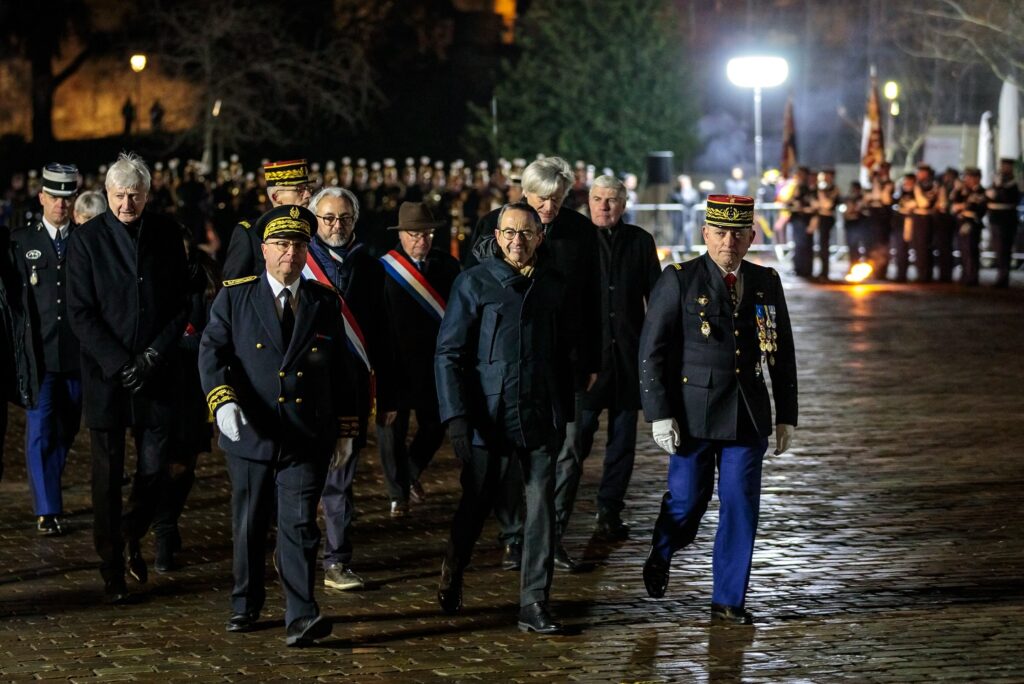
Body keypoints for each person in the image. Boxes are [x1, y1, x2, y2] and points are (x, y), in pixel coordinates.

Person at [199, 204, 358, 646]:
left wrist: (346, 428)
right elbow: (212, 352)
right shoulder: (236, 296)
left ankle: (301, 614)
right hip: (251, 431)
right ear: (264, 248)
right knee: (250, 522)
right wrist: (221, 401)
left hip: (306, 432)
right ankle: (245, 602)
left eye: (299, 244)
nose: (290, 252)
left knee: (300, 525)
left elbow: (341, 368)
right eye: (282, 243)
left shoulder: (324, 302)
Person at [638, 194, 798, 625]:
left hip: (747, 412)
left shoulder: (766, 281)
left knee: (740, 503)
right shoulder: (679, 279)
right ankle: (664, 548)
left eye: (738, 233)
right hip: (693, 413)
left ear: (750, 237)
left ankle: (728, 599)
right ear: (705, 233)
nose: (729, 241)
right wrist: (659, 412)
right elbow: (652, 351)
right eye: (720, 232)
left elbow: (780, 351)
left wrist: (786, 412)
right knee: (689, 501)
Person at [435, 201, 572, 634]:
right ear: (497, 237)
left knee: (540, 510)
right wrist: (456, 417)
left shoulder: (553, 284)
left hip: (537, 415)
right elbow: (449, 353)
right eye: (509, 233)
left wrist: (562, 410)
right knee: (476, 506)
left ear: (539, 237)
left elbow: (561, 351)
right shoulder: (473, 283)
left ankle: (534, 601)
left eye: (526, 233)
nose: (518, 241)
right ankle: (453, 569)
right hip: (488, 417)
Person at [463, 156, 600, 572]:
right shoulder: (493, 225)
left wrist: (593, 356)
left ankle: (551, 533)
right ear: (524, 193)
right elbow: (473, 292)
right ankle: (512, 534)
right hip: (508, 359)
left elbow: (593, 297)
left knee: (570, 449)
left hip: (564, 355)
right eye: (542, 199)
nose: (550, 208)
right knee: (509, 454)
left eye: (558, 200)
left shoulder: (579, 232)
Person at [66, 152, 189, 603]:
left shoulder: (166, 234)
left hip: (155, 372)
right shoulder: (88, 241)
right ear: (107, 194)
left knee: (156, 468)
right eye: (119, 196)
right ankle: (110, 567)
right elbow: (80, 312)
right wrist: (120, 363)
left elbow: (181, 303)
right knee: (107, 474)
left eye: (134, 196)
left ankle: (131, 530)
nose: (126, 205)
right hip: (107, 376)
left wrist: (154, 354)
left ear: (147, 194)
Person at [555, 176, 661, 547]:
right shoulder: (575, 241)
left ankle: (609, 509)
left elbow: (657, 301)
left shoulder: (641, 242)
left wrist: (656, 352)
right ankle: (556, 514)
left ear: (624, 203)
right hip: (588, 361)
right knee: (576, 441)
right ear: (588, 202)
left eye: (612, 200)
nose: (604, 206)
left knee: (622, 443)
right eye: (598, 199)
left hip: (628, 359)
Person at [305, 187, 397, 592]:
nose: (336, 226)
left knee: (341, 476)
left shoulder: (372, 268)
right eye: (327, 218)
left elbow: (381, 333)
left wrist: (389, 392)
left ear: (354, 221)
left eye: (343, 218)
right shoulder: (298, 262)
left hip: (351, 390)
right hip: (305, 390)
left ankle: (337, 561)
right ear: (314, 220)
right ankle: (296, 554)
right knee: (301, 477)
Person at [11, 163, 83, 535]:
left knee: (67, 429)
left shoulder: (85, 240)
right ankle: (47, 508)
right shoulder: (23, 242)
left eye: (67, 198)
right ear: (42, 197)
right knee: (40, 430)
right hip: (39, 354)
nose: (61, 205)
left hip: (75, 356)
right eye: (54, 197)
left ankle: (49, 490)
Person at [377, 202, 461, 515]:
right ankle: (397, 494)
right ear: (401, 235)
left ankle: (411, 471)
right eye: (414, 234)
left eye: (426, 234)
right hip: (396, 362)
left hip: (433, 363)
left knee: (435, 425)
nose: (421, 240)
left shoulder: (448, 266)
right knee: (391, 431)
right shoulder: (384, 268)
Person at [151, 225, 220, 572]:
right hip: (161, 382)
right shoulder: (153, 276)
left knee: (184, 464)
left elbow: (215, 328)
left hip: (195, 382)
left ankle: (169, 521)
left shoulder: (206, 275)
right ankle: (163, 531)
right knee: (159, 462)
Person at [222, 160, 313, 280]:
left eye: (308, 188)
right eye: (300, 190)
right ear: (276, 197)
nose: (308, 195)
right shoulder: (249, 234)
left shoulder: (313, 230)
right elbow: (233, 290)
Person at [986, 158, 1021, 288]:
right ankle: (1001, 276)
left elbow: (1007, 198)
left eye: (1006, 166)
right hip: (995, 219)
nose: (1003, 169)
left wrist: (998, 191)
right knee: (998, 249)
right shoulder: (998, 181)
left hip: (1006, 221)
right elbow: (988, 195)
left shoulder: (1012, 183)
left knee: (1004, 250)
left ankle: (1003, 277)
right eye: (1002, 166)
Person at [949, 168, 987, 286]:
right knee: (963, 250)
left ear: (976, 178)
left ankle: (972, 276)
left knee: (971, 251)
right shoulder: (964, 191)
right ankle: (965, 274)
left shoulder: (980, 191)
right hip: (961, 221)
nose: (966, 180)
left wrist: (967, 216)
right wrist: (957, 189)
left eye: (969, 177)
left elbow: (977, 208)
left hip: (972, 223)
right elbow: (954, 201)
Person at [911, 164, 946, 283]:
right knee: (919, 246)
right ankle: (922, 273)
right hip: (920, 216)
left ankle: (925, 274)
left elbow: (925, 203)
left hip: (926, 217)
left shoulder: (932, 186)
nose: (918, 175)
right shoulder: (920, 185)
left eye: (921, 172)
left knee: (924, 247)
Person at [866, 163, 895, 280]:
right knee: (873, 243)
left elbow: (883, 198)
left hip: (884, 216)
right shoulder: (874, 183)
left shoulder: (889, 184)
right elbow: (869, 197)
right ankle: (873, 269)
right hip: (874, 215)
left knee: (883, 244)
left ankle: (882, 271)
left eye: (884, 170)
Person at [786, 167, 815, 278]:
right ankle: (799, 268)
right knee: (799, 245)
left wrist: (801, 207)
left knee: (805, 245)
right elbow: (789, 202)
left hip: (805, 219)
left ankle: (806, 269)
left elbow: (810, 204)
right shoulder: (796, 188)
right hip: (797, 219)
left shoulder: (808, 189)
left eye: (801, 174)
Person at [811, 168, 839, 281]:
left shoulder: (834, 189)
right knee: (820, 245)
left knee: (824, 245)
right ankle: (821, 271)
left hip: (827, 218)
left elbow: (828, 205)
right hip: (820, 217)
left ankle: (825, 272)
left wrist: (821, 198)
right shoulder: (820, 188)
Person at [843, 181, 870, 270]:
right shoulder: (848, 199)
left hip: (860, 225)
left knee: (862, 246)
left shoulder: (862, 199)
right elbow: (847, 213)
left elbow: (862, 211)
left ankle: (862, 266)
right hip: (850, 225)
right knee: (852, 247)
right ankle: (853, 266)